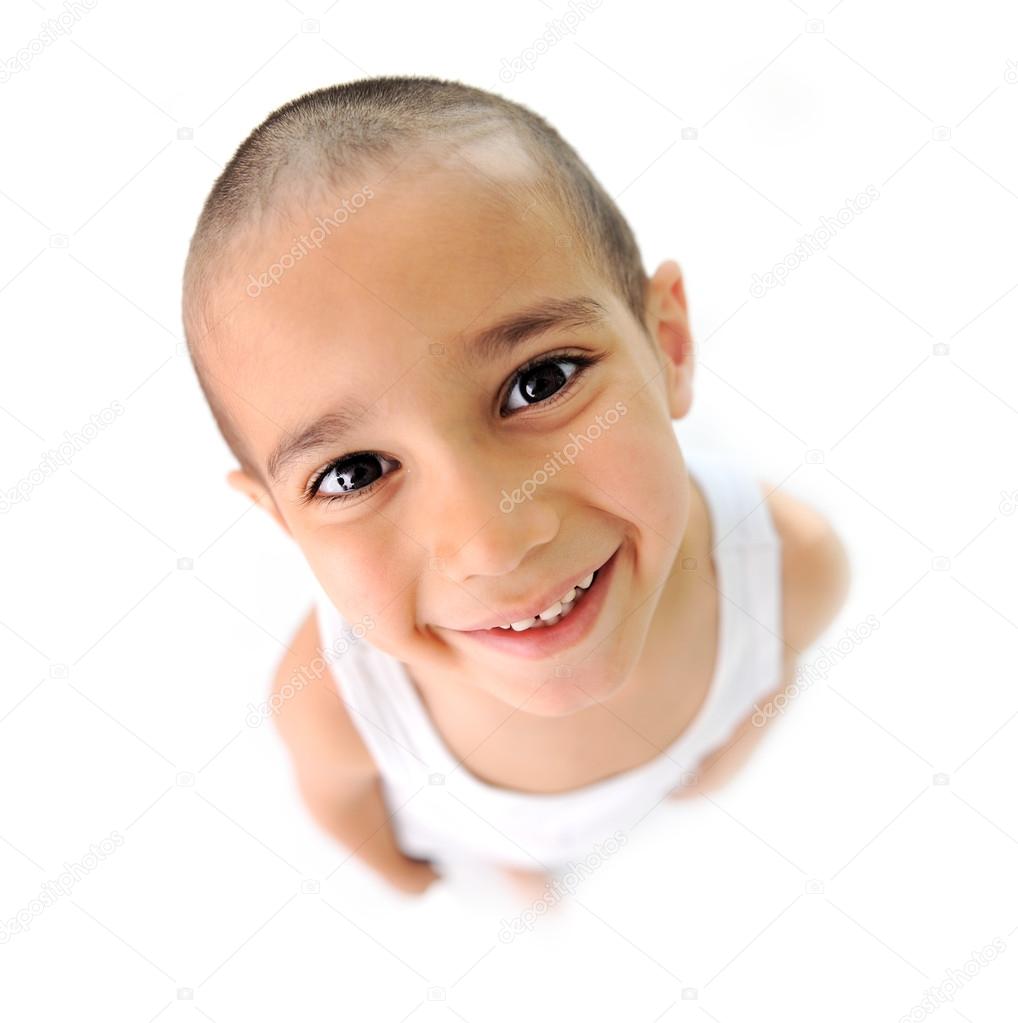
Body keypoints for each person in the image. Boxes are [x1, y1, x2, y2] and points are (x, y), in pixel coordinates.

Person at [181, 76, 850, 898]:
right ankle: (519, 862)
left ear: (668, 345)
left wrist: (716, 762)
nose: (492, 541)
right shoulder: (336, 703)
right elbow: (337, 800)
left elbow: (769, 674)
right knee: (517, 861)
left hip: (644, 805)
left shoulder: (788, 568)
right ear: (282, 521)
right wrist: (404, 875)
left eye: (540, 381)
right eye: (352, 473)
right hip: (477, 827)